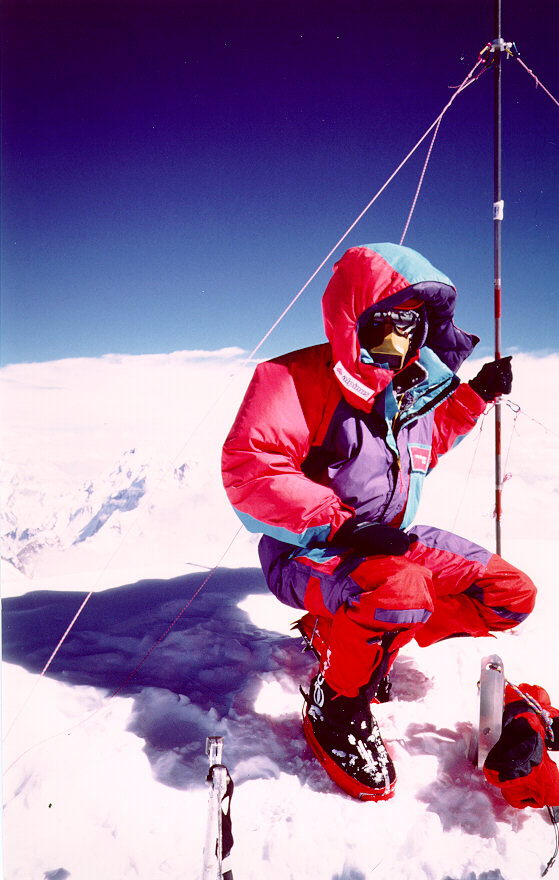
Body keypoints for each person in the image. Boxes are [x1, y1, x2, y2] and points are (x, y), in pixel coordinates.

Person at [221, 242, 536, 801]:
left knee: (509, 595)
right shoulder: (293, 380)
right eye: (385, 328)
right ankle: (337, 703)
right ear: (353, 318)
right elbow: (251, 471)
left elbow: (427, 444)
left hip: (388, 546)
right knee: (400, 588)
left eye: (411, 332)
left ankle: (364, 638)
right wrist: (338, 526)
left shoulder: (403, 395)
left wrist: (473, 396)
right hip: (310, 550)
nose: (398, 347)